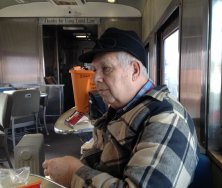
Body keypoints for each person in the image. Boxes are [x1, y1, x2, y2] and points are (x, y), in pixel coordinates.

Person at [43, 27, 199, 188]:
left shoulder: (167, 118)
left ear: (135, 70)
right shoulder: (121, 109)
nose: (96, 78)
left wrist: (72, 174)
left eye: (106, 69)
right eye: (95, 70)